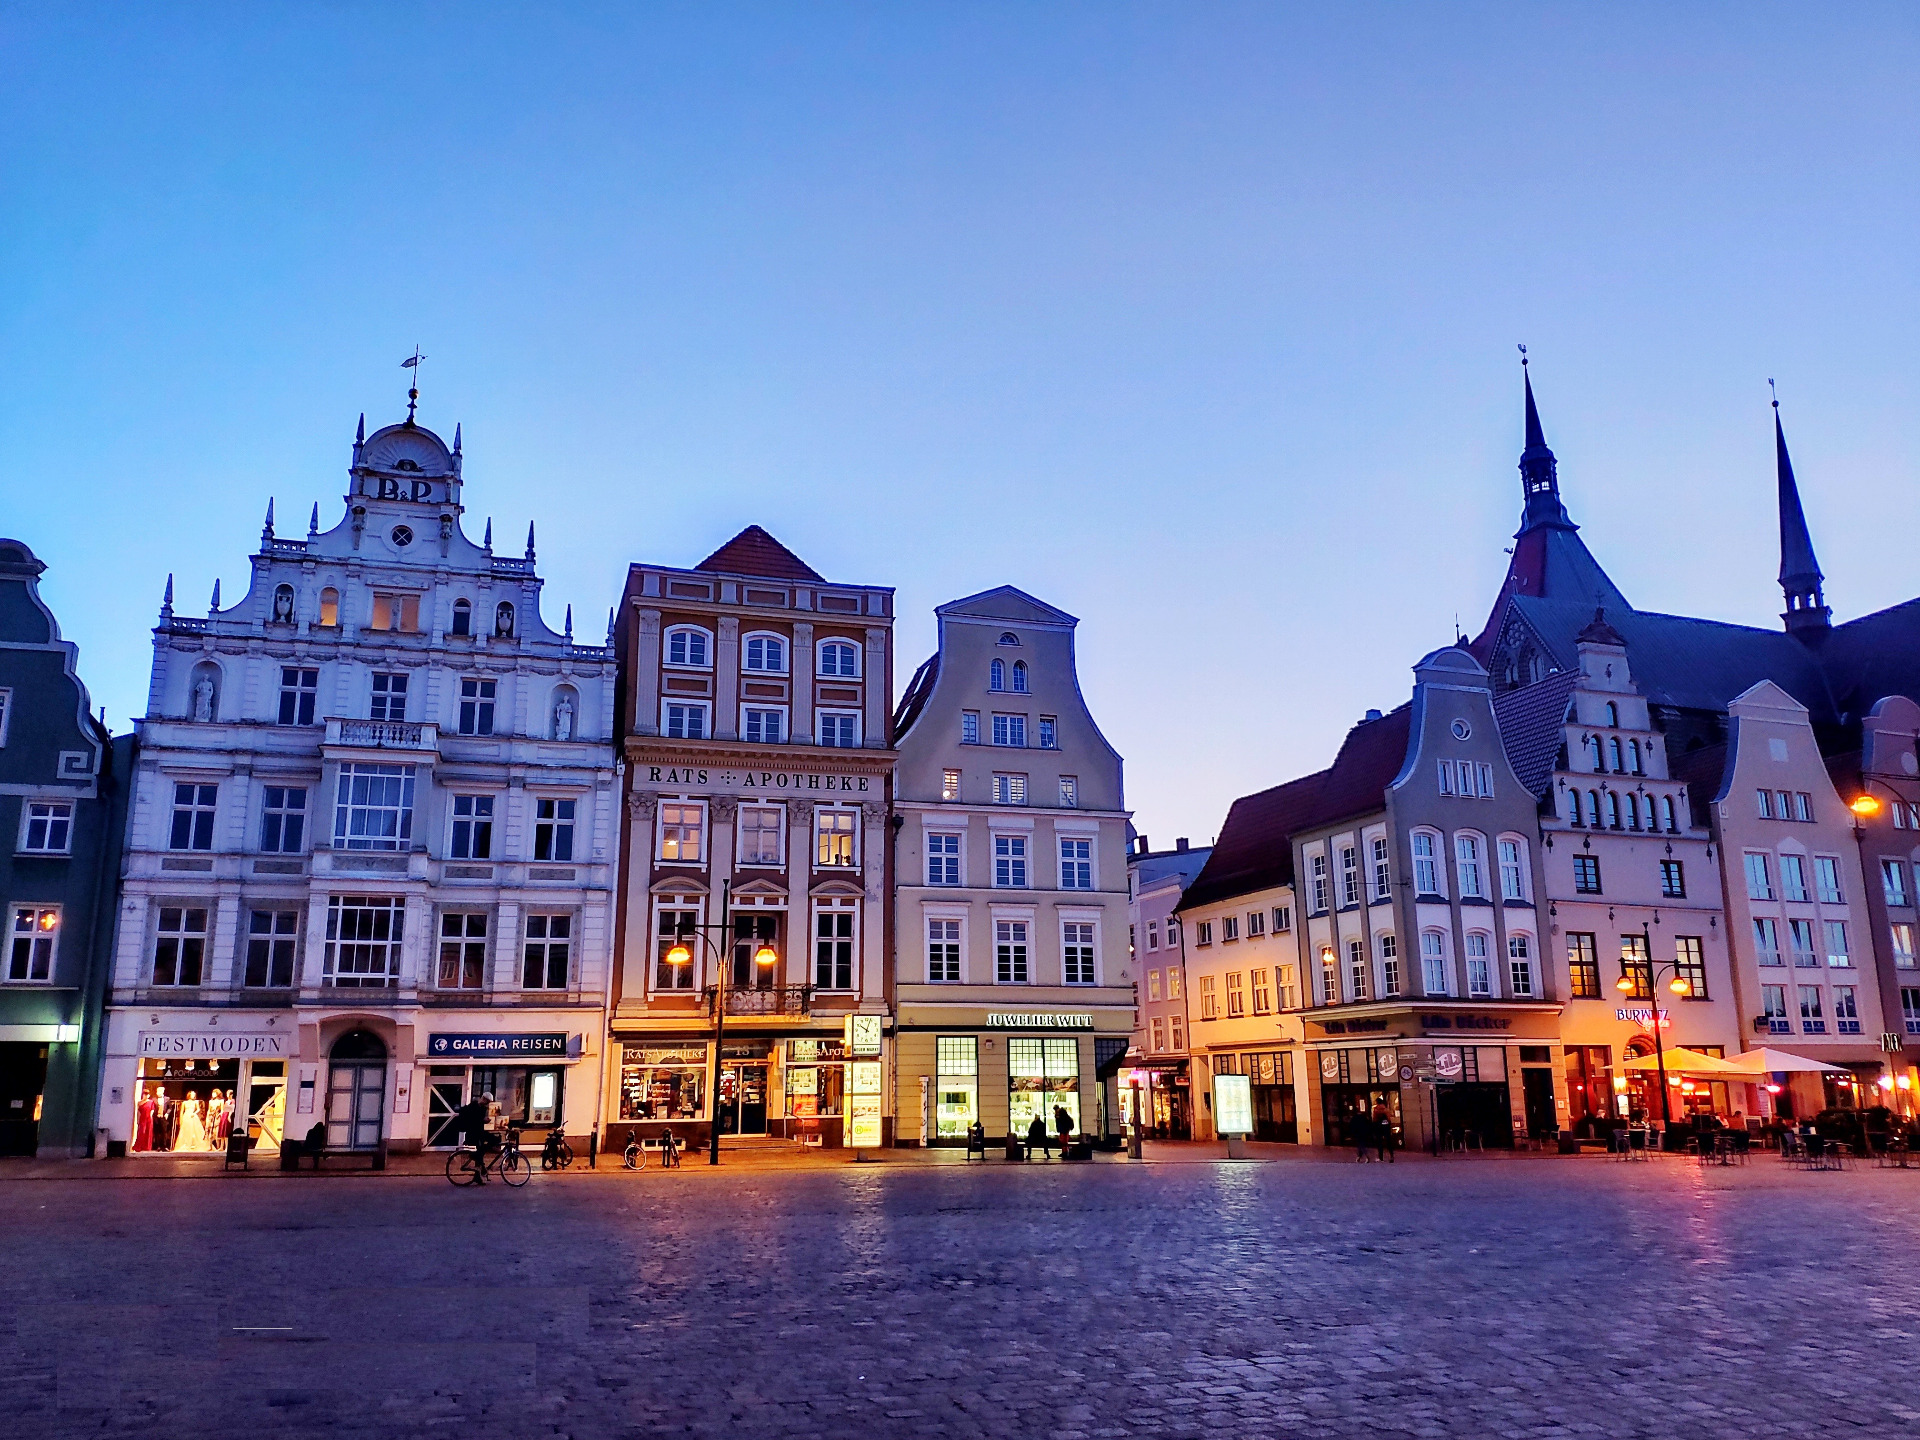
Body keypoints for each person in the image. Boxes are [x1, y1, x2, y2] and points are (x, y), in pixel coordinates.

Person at [452, 1092, 495, 1181]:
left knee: (494, 1140)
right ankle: (479, 1170)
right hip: (472, 1134)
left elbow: (479, 1121)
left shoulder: (482, 1108)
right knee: (479, 1153)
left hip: (479, 1132)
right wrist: (483, 1120)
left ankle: (478, 1173)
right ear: (483, 1099)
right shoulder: (473, 1106)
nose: (487, 1104)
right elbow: (472, 1121)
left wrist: (484, 1121)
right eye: (487, 1102)